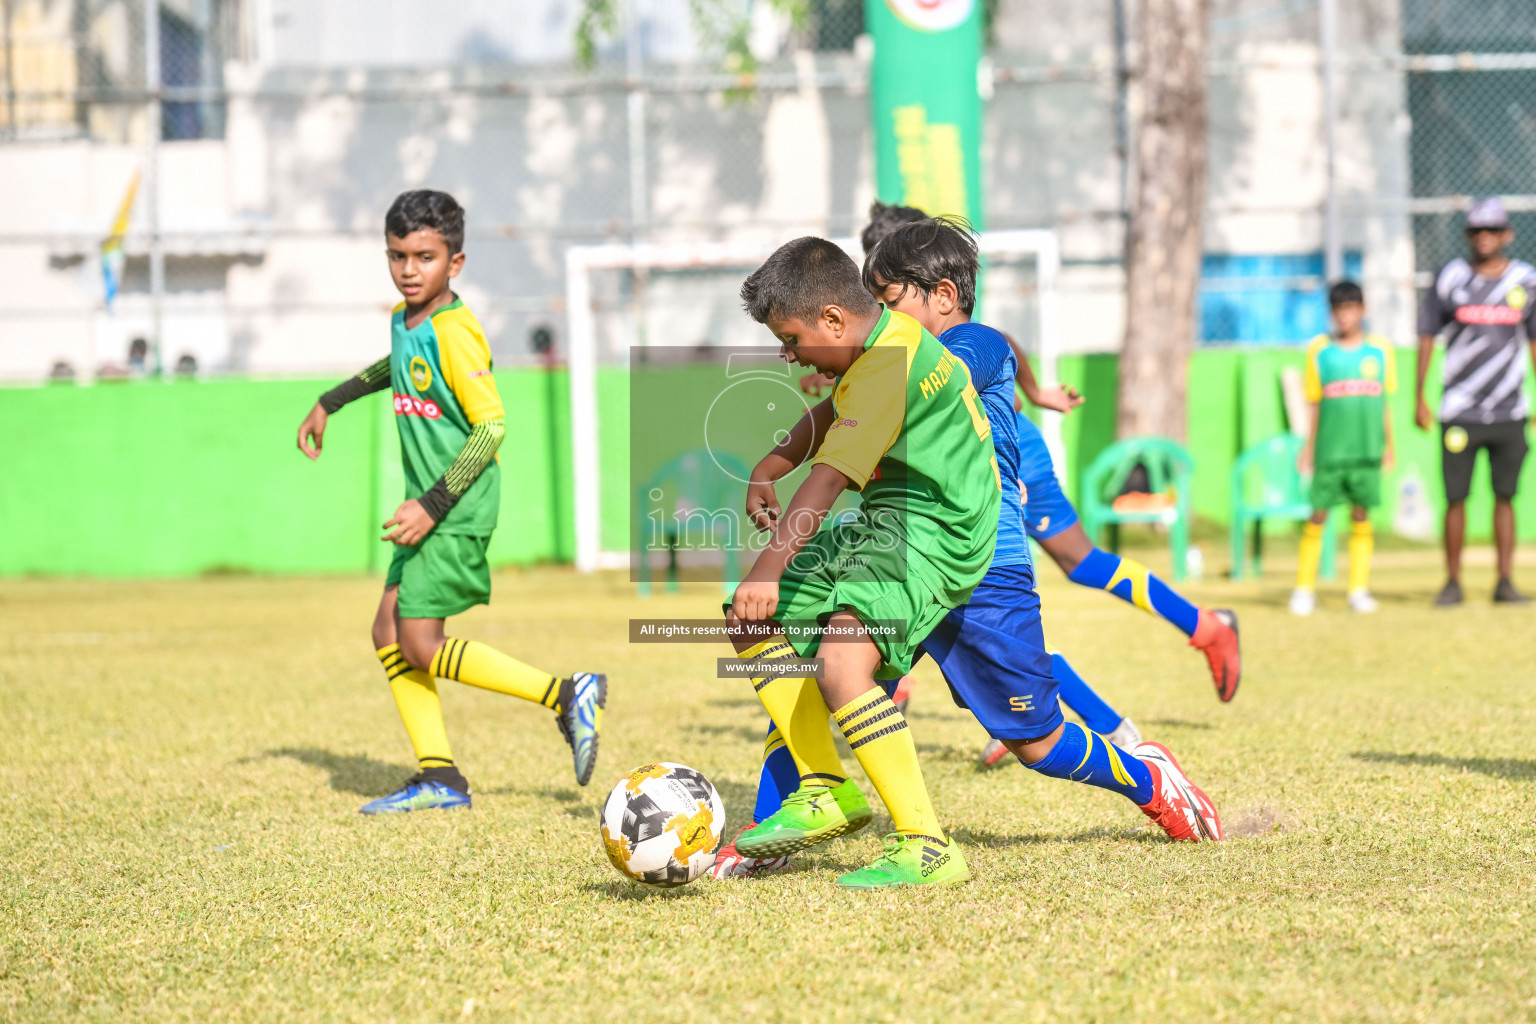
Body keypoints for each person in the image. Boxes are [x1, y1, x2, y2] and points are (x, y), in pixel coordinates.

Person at [717, 224, 1223, 883]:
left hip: (971, 561)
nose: (792, 357)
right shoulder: (879, 354)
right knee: (803, 647)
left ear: (943, 296)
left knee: (1034, 740)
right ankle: (798, 816)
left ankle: (1146, 780)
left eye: (889, 294)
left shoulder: (946, 350)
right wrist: (777, 456)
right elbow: (841, 414)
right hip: (897, 542)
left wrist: (768, 563)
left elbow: (842, 459)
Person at [804, 205, 1241, 705]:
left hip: (1002, 448)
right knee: (969, 599)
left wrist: (1035, 392)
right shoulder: (902, 319)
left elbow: (995, 345)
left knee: (1063, 565)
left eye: (885, 296)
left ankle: (1197, 633)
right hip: (950, 463)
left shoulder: (952, 327)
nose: (877, 310)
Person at [294, 189, 606, 814]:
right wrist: (334, 398)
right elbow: (401, 363)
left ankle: (567, 694)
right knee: (387, 630)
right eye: (397, 256)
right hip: (429, 504)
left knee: (417, 641)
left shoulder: (458, 332)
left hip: (454, 505)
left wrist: (433, 504)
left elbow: (491, 427)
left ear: (454, 263)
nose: (409, 269)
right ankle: (440, 777)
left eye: (424, 257)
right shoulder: (404, 318)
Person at [1416, 197, 1536, 606]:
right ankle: (1452, 581)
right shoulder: (1450, 277)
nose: (1483, 238)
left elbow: (1534, 342)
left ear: (1507, 234)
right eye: (1475, 231)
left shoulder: (1525, 280)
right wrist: (1419, 396)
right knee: (1456, 498)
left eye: (1491, 230)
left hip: (1509, 409)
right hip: (1459, 410)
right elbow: (1428, 335)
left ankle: (1504, 581)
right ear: (1468, 235)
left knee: (1506, 496)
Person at [1290, 282, 1395, 615]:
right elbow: (1314, 403)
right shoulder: (1320, 351)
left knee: (1361, 515)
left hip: (1365, 451)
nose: (1345, 316)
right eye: (1339, 310)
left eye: (1351, 308)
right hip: (1330, 452)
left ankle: (1358, 589)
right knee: (1317, 514)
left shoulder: (1380, 351)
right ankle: (1304, 588)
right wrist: (1308, 448)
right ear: (1332, 313)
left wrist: (1389, 447)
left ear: (1362, 310)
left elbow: (1385, 404)